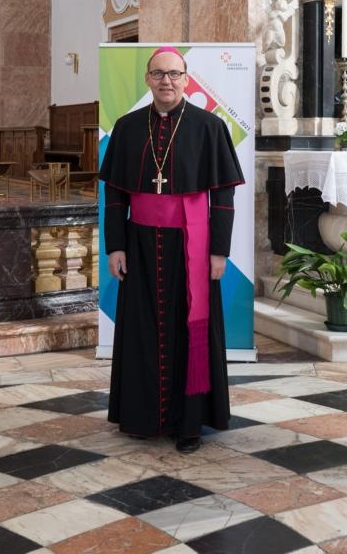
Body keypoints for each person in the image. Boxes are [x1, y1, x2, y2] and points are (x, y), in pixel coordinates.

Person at [99, 47, 245, 453]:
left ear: (186, 79)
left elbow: (223, 197)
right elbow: (114, 194)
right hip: (141, 244)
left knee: (188, 327)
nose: (167, 81)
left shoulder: (209, 126)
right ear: (148, 79)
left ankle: (190, 421)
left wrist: (219, 251)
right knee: (142, 328)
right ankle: (143, 416)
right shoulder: (127, 128)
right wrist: (116, 247)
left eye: (174, 74)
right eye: (159, 74)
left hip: (191, 245)